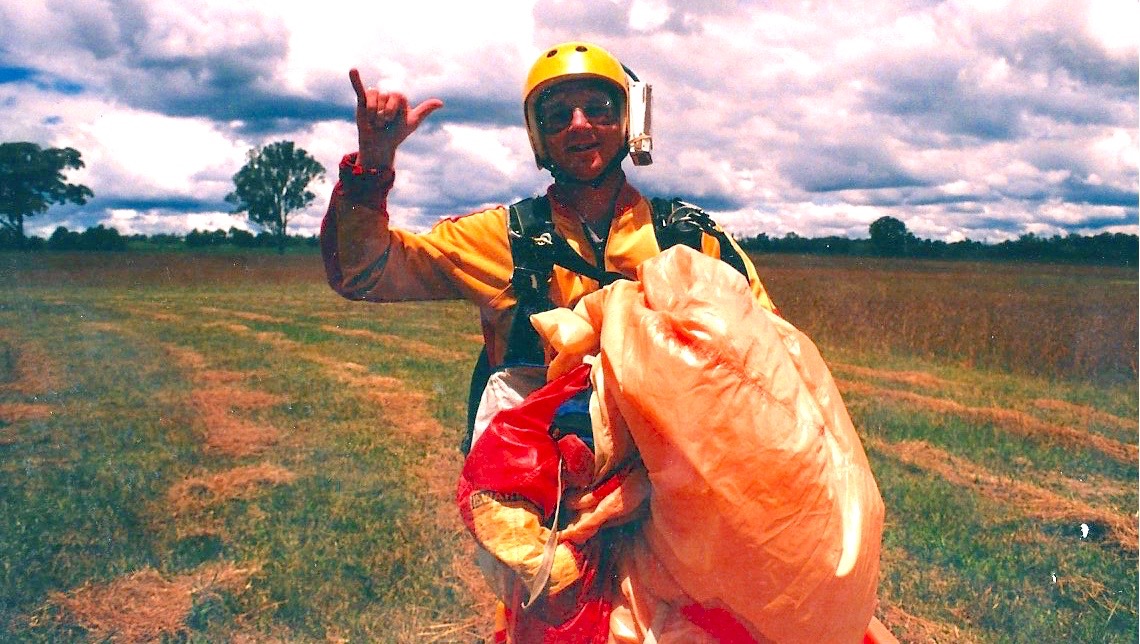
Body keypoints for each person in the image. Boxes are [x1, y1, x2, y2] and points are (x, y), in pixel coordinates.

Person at [321, 41, 778, 384]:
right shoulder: (502, 236)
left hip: (664, 488)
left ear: (629, 122)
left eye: (598, 109)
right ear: (538, 136)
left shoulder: (691, 240)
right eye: (558, 115)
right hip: (539, 495)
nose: (579, 124)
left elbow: (775, 352)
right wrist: (373, 164)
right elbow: (363, 272)